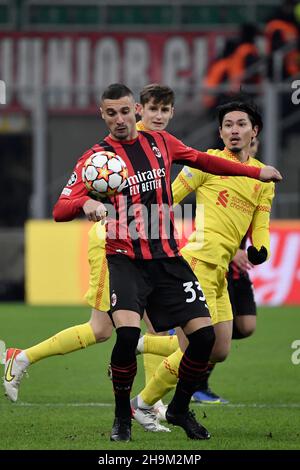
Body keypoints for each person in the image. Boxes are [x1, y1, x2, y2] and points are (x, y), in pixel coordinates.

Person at [51, 84, 281, 443]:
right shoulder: (96, 160)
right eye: (111, 113)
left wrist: (256, 172)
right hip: (125, 257)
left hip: (167, 257)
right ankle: (122, 418)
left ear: (136, 111)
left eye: (125, 111)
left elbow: (205, 160)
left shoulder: (161, 143)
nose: (120, 119)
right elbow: (60, 208)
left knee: (205, 339)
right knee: (126, 335)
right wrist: (86, 205)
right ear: (103, 115)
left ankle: (178, 409)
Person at [2, 85, 176, 427]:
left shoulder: (158, 148)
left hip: (149, 246)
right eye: (152, 110)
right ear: (139, 111)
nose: (158, 116)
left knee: (154, 327)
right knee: (102, 330)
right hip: (114, 245)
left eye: (165, 111)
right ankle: (21, 358)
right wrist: (87, 203)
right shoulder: (109, 154)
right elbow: (65, 203)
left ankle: (150, 402)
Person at [130, 99, 276, 430]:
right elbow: (168, 196)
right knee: (199, 344)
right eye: (227, 125)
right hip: (197, 263)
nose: (234, 130)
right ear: (221, 131)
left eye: (241, 124)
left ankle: (145, 344)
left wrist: (260, 249)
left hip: (221, 271)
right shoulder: (205, 163)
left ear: (255, 131)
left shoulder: (262, 178)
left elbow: (261, 223)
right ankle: (143, 404)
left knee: (220, 350)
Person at [192, 136, 260, 404]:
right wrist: (233, 251)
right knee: (212, 338)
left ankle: (183, 337)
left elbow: (257, 224)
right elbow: (211, 224)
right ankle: (197, 383)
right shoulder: (216, 175)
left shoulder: (258, 183)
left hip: (237, 269)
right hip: (215, 260)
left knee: (245, 327)